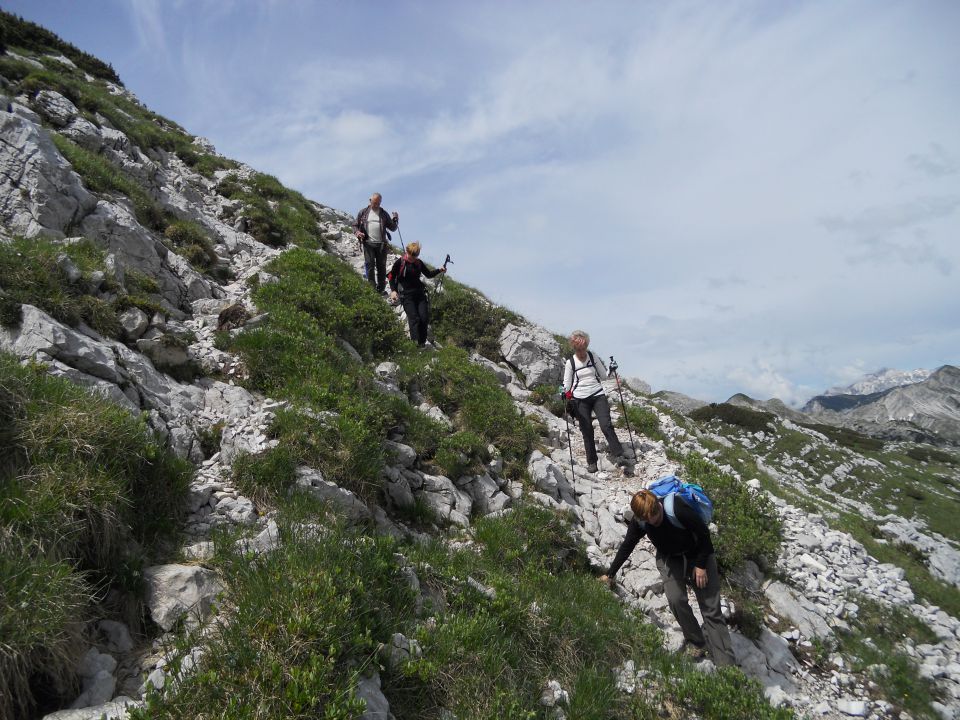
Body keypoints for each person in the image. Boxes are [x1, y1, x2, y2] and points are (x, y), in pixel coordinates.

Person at [600, 489, 736, 666]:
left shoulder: (678, 509)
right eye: (647, 519)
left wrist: (701, 566)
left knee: (710, 608)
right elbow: (628, 544)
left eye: (654, 514)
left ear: (658, 504)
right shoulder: (641, 520)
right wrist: (610, 574)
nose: (653, 520)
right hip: (670, 558)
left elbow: (704, 535)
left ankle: (727, 665)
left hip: (698, 555)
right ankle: (697, 642)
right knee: (675, 599)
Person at [562, 330, 631, 473]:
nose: (581, 352)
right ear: (574, 348)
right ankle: (592, 462)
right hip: (579, 399)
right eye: (578, 349)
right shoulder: (571, 363)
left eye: (583, 348)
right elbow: (567, 384)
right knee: (586, 430)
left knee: (606, 425)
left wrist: (611, 370)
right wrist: (563, 392)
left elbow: (604, 376)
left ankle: (618, 455)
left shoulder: (593, 357)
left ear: (587, 345)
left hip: (598, 394)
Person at [388, 242, 445, 347]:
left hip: (420, 294)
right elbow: (391, 277)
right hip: (406, 296)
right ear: (407, 252)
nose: (413, 258)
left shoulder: (418, 263)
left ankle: (422, 343)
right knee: (414, 318)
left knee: (424, 318)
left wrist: (439, 270)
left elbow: (428, 274)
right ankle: (414, 345)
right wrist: (393, 291)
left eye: (416, 255)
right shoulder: (400, 262)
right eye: (412, 255)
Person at [354, 192, 398, 294]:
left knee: (381, 267)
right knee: (369, 266)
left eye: (378, 203)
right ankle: (371, 288)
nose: (377, 205)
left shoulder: (383, 213)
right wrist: (357, 232)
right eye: (375, 203)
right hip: (368, 243)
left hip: (381, 244)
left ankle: (381, 288)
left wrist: (395, 220)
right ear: (370, 201)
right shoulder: (363, 212)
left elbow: (392, 227)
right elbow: (355, 225)